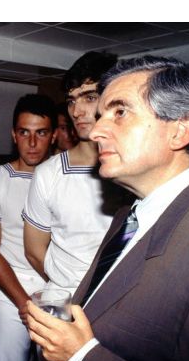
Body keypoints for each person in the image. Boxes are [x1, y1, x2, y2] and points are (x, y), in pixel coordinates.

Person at [27, 55, 189, 361]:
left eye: (120, 112)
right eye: (101, 115)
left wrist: (80, 358)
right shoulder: (130, 215)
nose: (95, 130)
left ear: (180, 130)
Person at [23, 51, 125, 298]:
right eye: (71, 101)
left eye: (89, 97)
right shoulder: (49, 173)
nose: (77, 110)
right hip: (64, 300)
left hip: (119, 299)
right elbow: (35, 250)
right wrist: (67, 289)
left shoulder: (132, 168)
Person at [0, 94, 56, 361]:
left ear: (55, 134)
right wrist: (24, 304)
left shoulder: (64, 179)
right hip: (10, 293)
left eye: (41, 133)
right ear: (14, 134)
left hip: (57, 292)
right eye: (25, 132)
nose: (32, 143)